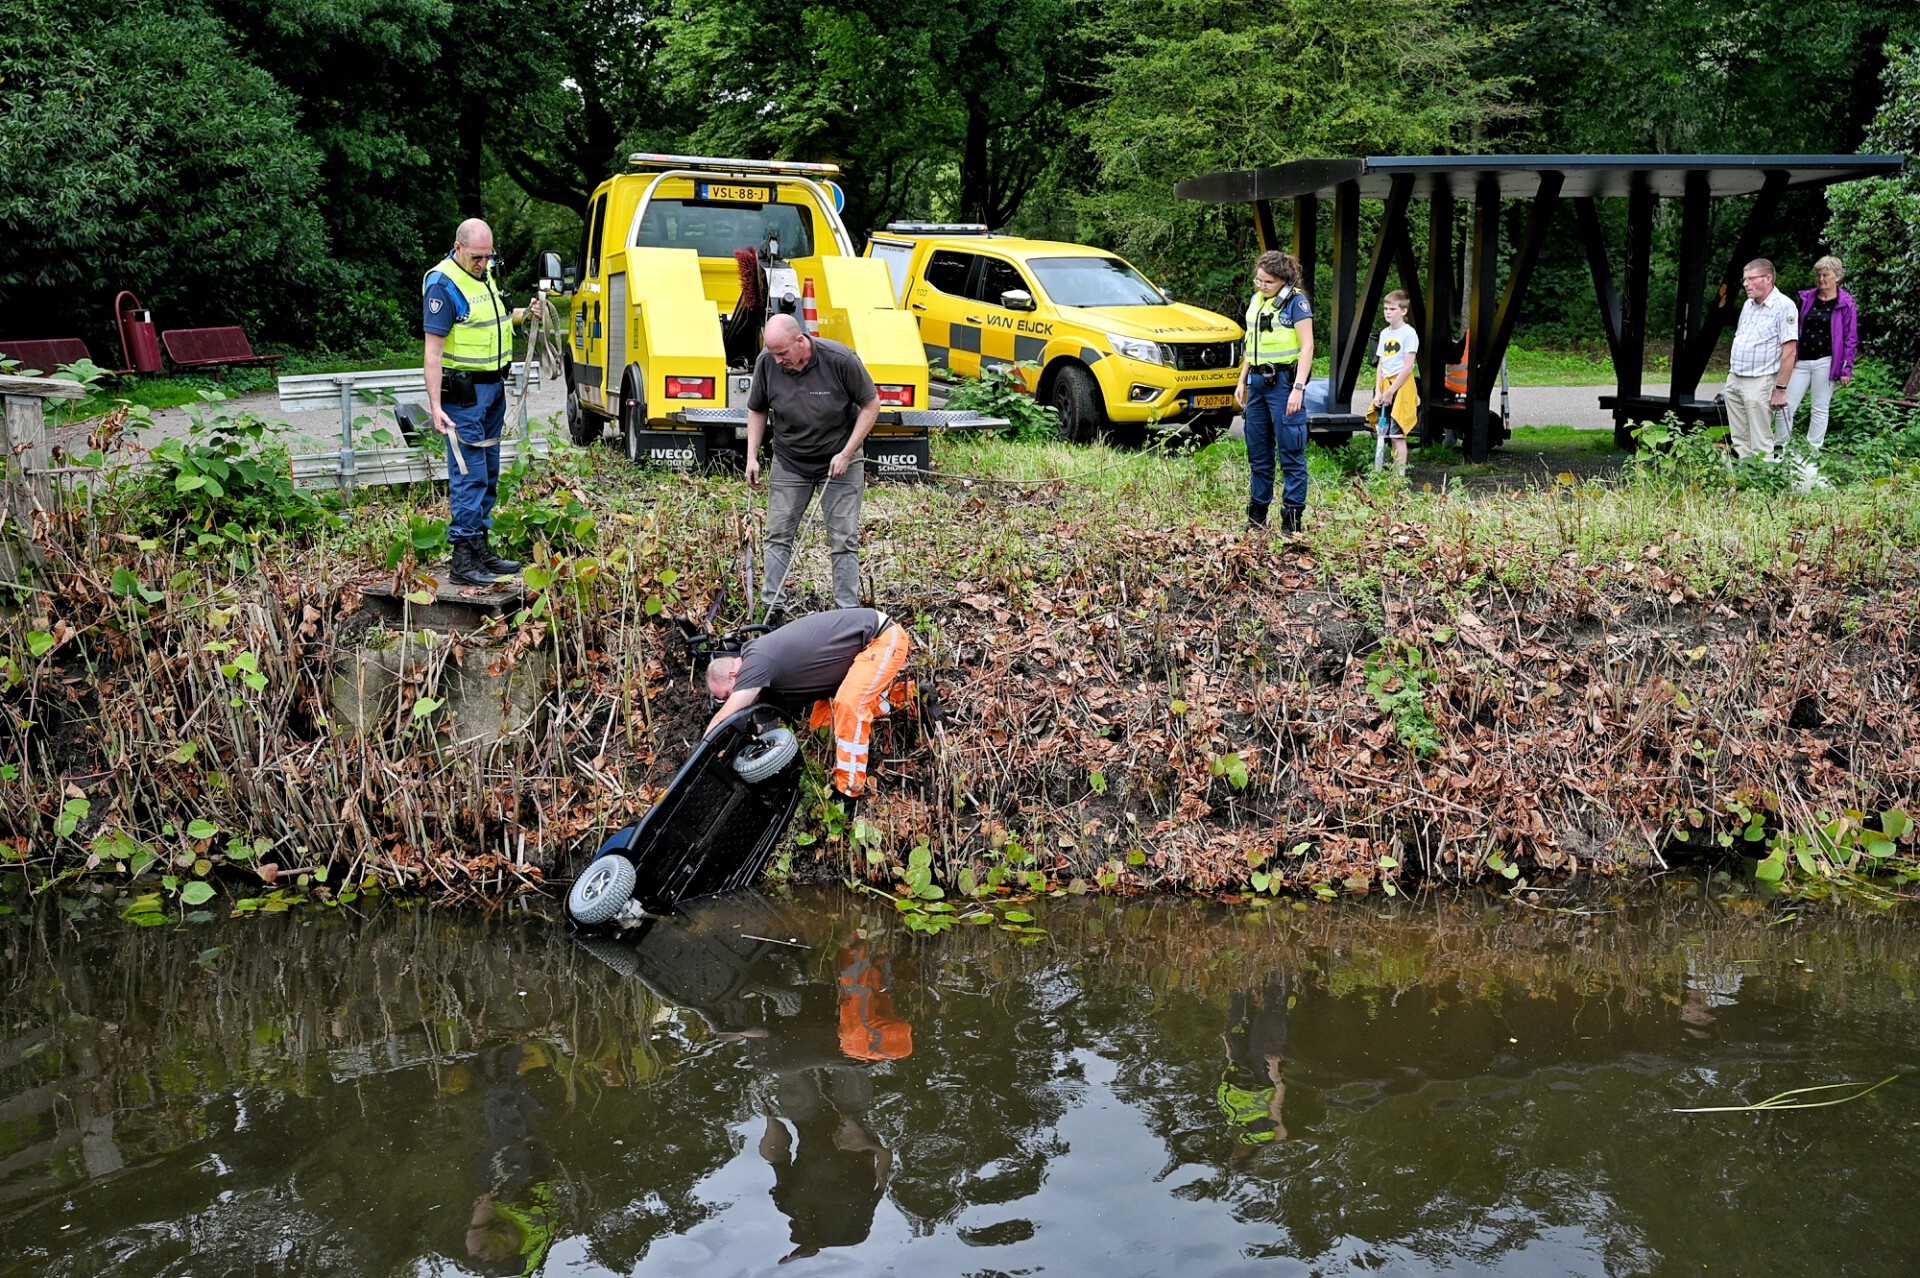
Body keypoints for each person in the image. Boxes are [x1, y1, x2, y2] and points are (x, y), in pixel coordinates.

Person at [424, 218, 541, 586]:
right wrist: (436, 407)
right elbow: (433, 352)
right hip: (463, 395)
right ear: (458, 248)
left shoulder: (485, 274)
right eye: (477, 256)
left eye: (488, 256)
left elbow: (494, 319)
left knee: (488, 473)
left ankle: (480, 547)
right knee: (468, 475)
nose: (484, 263)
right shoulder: (443, 284)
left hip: (493, 389)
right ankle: (462, 559)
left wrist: (526, 314)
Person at [748, 313, 883, 618]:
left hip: (839, 461)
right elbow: (757, 409)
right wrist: (752, 456)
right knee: (777, 535)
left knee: (843, 538)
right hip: (790, 461)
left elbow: (871, 404)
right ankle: (772, 612)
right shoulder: (767, 363)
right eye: (773, 353)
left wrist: (848, 452)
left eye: (782, 353)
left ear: (800, 340)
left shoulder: (840, 359)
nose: (778, 360)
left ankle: (846, 614)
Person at [705, 607, 913, 799]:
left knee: (849, 706)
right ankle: (908, 697)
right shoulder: (762, 690)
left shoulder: (755, 663)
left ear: (733, 675)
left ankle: (849, 790)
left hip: (879, 637)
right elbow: (766, 736)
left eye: (725, 696)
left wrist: (702, 754)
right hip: (852, 663)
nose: (727, 701)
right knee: (821, 724)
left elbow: (725, 716)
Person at [1233, 251, 1315, 533]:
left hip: (1283, 384)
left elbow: (1307, 347)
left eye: (1267, 281)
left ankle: (1292, 522)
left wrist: (1298, 389)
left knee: (1291, 452)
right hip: (1256, 383)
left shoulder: (1296, 302)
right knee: (1258, 453)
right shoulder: (1257, 301)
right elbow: (1252, 343)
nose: (1261, 285)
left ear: (1282, 279)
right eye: (1258, 279)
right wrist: (1242, 379)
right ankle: (1256, 518)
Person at [1777, 255, 1859, 453]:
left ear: (1837, 277)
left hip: (1827, 361)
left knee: (1820, 408)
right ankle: (1779, 449)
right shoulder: (1806, 299)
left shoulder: (1846, 303)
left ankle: (1812, 452)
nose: (1821, 279)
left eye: (1826, 275)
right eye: (1819, 275)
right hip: (1801, 360)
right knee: (1784, 405)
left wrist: (1846, 368)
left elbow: (1850, 337)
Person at [1723, 258, 1798, 460]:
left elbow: (1790, 351)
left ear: (1768, 278)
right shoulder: (1748, 305)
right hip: (1736, 377)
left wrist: (1780, 390)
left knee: (1760, 438)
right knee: (1739, 437)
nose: (1746, 284)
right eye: (1744, 279)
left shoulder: (1784, 306)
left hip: (1760, 380)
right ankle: (1745, 482)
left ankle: (1763, 485)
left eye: (1751, 279)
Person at [1367, 289, 1420, 476]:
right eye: (1385, 309)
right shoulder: (1384, 333)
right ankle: (1381, 473)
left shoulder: (1409, 333)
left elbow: (1408, 366)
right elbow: (1381, 363)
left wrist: (1392, 391)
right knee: (1384, 432)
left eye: (1392, 309)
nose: (1387, 312)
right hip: (1385, 386)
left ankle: (1399, 477)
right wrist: (1379, 392)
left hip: (1402, 386)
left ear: (1403, 311)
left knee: (1398, 434)